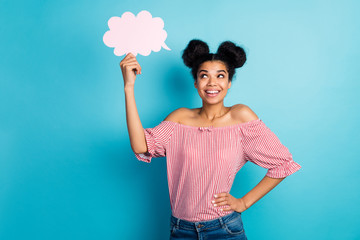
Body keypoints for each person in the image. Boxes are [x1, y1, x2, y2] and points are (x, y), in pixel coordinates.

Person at [121, 39, 301, 240]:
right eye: (204, 76)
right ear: (196, 83)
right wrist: (129, 87)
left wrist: (243, 202)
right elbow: (140, 146)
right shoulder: (179, 118)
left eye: (220, 76)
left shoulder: (240, 117)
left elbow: (283, 164)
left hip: (223, 229)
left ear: (229, 82)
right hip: (181, 229)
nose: (212, 83)